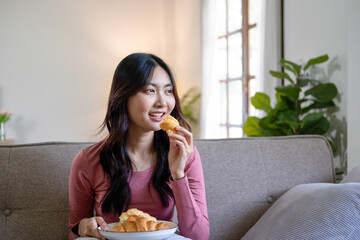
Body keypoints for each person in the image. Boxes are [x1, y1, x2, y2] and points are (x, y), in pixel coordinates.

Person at [68, 53, 209, 240]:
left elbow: (199, 236)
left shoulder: (184, 153)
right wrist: (84, 227)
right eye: (150, 90)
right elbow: (74, 234)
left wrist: (178, 174)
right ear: (123, 96)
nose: (162, 102)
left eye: (168, 91)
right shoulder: (87, 161)